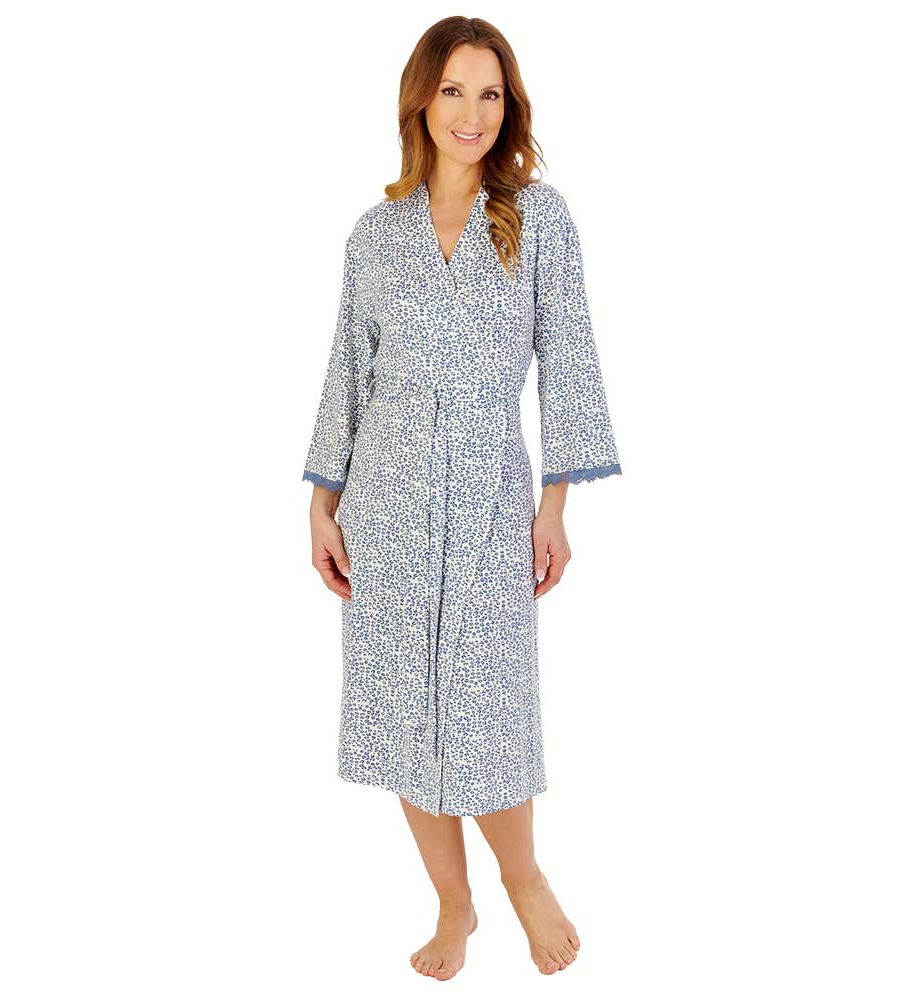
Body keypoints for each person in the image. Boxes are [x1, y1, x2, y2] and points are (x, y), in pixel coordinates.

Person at [302, 17, 621, 979]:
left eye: (489, 94)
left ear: (508, 108)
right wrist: (321, 504)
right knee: (408, 712)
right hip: (385, 506)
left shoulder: (538, 219)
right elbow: (347, 376)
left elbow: (570, 362)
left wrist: (555, 506)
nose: (470, 113)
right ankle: (454, 903)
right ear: (421, 100)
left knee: (488, 707)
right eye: (453, 91)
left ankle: (524, 879)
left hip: (489, 502)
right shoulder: (375, 236)